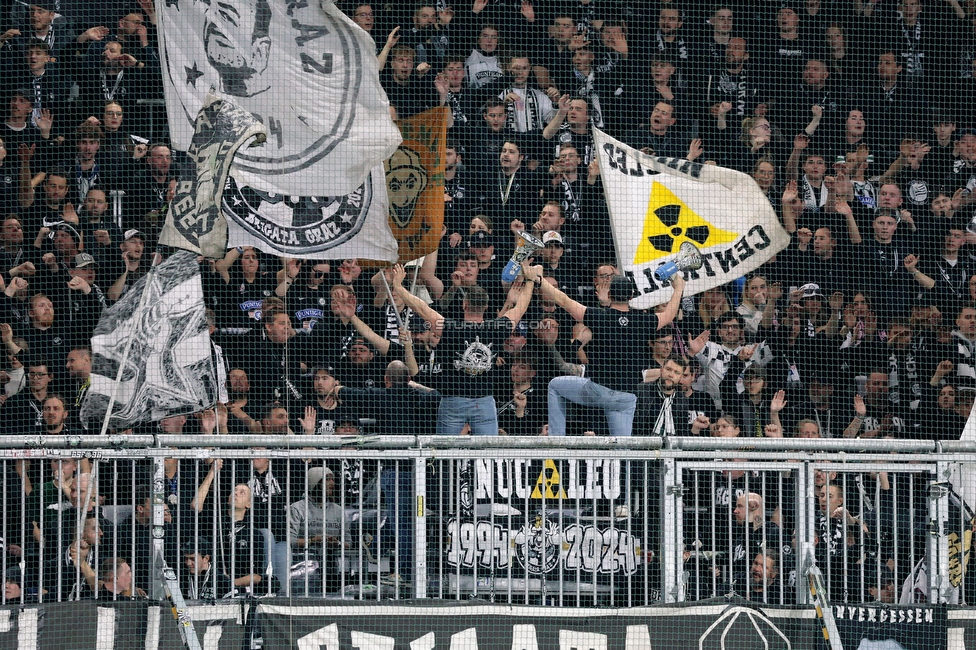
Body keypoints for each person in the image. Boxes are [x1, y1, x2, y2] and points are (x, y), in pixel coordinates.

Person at [390, 263, 535, 435]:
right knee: (487, 454)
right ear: (486, 307)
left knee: (446, 453)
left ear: (464, 304)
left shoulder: (449, 327)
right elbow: (521, 308)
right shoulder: (497, 327)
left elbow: (421, 307)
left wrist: (398, 286)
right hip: (483, 401)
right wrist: (531, 281)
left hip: (454, 400)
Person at [538, 268, 686, 437]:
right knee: (622, 450)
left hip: (598, 390)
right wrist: (679, 288)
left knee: (555, 386)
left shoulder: (599, 316)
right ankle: (622, 461)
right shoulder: (644, 320)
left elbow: (563, 300)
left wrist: (540, 280)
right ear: (631, 297)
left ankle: (557, 441)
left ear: (609, 295)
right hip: (626, 397)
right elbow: (669, 315)